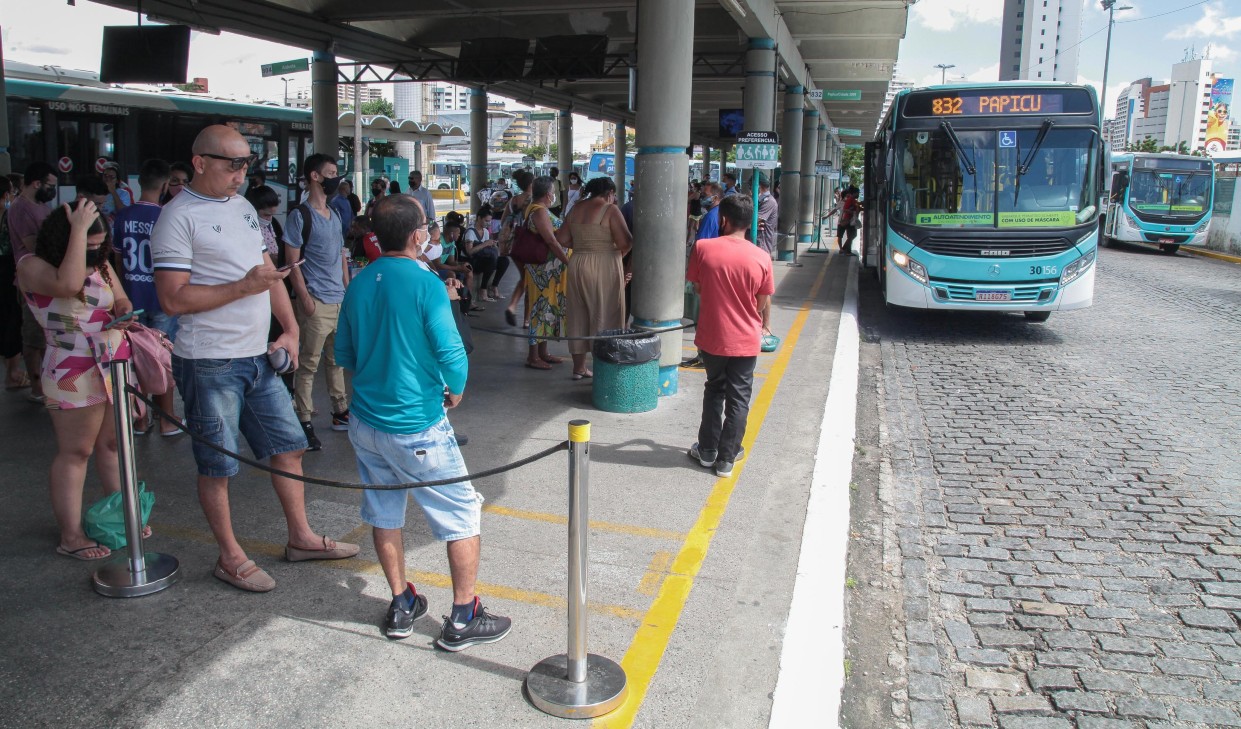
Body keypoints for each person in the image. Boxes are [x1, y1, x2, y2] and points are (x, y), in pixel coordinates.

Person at [153, 124, 358, 593]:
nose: (242, 174)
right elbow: (172, 299)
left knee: (289, 448)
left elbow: (270, 275)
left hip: (258, 357)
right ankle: (230, 556)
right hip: (209, 360)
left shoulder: (244, 208)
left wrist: (287, 329)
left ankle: (301, 536)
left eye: (247, 163)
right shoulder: (177, 217)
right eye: (233, 164)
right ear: (200, 162)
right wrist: (242, 288)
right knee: (218, 464)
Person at [335, 193, 511, 649]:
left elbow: (346, 355)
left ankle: (401, 603)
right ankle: (463, 616)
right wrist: (456, 386)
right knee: (462, 512)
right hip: (417, 424)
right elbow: (451, 351)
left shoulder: (359, 280)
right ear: (418, 235)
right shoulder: (427, 283)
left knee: (383, 511)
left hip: (366, 422)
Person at [18, 200, 133, 560]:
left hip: (111, 359)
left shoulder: (99, 261)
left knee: (114, 445)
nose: (96, 251)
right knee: (77, 451)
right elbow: (67, 286)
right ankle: (71, 535)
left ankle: (122, 518)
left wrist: (124, 313)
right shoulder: (30, 264)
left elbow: (121, 299)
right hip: (71, 365)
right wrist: (79, 230)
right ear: (66, 237)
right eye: (89, 242)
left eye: (100, 243)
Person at [686, 194, 773, 478]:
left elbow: (698, 289)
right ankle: (727, 457)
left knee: (714, 389)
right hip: (746, 339)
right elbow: (761, 302)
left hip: (712, 337)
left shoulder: (703, 248)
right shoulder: (762, 257)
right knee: (739, 396)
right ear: (750, 223)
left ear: (722, 219)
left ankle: (707, 450)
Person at [283, 153, 351, 451]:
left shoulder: (334, 214)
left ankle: (340, 411)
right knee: (308, 365)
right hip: (316, 302)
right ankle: (304, 420)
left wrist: (348, 291)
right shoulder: (300, 215)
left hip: (338, 300)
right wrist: (306, 299)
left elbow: (341, 257)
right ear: (314, 176)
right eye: (331, 172)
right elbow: (292, 264)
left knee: (337, 361)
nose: (335, 177)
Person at [111, 158, 181, 436]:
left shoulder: (123, 217)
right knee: (162, 359)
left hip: (131, 299)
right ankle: (167, 420)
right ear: (165, 185)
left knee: (136, 359)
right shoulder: (165, 217)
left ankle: (140, 419)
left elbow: (117, 261)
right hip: (162, 300)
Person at [555, 177, 631, 380]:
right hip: (604, 265)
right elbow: (626, 241)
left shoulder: (576, 208)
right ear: (609, 193)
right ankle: (603, 368)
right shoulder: (610, 209)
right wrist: (613, 253)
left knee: (578, 314)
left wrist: (583, 246)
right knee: (606, 313)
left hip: (578, 263)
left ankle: (578, 367)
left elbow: (561, 238)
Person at [8, 162, 59, 403]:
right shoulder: (20, 208)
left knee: (47, 335)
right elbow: (33, 245)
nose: (52, 190)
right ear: (37, 183)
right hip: (31, 283)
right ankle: (37, 387)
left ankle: (47, 381)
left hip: (46, 280)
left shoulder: (42, 205)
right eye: (50, 185)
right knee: (33, 337)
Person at [523, 177, 572, 370]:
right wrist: (568, 261)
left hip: (549, 272)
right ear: (547, 194)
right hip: (543, 272)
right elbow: (551, 241)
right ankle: (533, 356)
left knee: (547, 309)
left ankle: (542, 352)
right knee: (540, 309)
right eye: (553, 191)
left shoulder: (537, 209)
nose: (554, 195)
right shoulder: (539, 211)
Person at [0, 176, 27, 391]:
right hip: (7, 272)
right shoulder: (9, 216)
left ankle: (11, 372)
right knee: (12, 319)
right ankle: (13, 373)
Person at [462, 207, 506, 304]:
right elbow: (469, 252)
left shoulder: (485, 231)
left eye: (490, 221)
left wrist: (491, 244)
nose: (488, 223)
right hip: (472, 261)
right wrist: (485, 244)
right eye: (486, 221)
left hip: (482, 259)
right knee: (491, 260)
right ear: (479, 218)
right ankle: (483, 289)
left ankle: (494, 285)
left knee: (504, 261)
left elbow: (486, 249)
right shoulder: (470, 232)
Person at [755, 175, 779, 255]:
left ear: (758, 186)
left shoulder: (769, 201)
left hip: (762, 242)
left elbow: (757, 219)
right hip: (758, 241)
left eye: (750, 186)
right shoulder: (760, 199)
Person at [836, 186, 860, 255]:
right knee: (852, 235)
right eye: (858, 193)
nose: (858, 194)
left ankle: (846, 250)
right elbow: (845, 209)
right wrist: (853, 212)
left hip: (850, 219)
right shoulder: (850, 200)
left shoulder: (853, 200)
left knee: (851, 235)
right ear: (854, 193)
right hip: (848, 220)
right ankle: (845, 250)